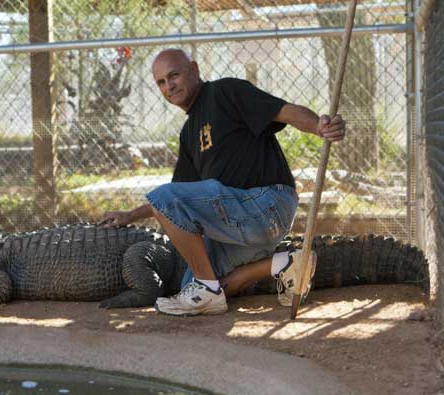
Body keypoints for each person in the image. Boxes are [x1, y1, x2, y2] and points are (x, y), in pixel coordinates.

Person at [99, 48, 345, 316]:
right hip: (237, 223)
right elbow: (170, 206)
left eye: (174, 76)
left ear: (193, 70)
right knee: (191, 288)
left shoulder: (225, 92)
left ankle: (207, 287)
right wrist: (130, 215)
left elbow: (284, 111)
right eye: (161, 82)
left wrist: (318, 126)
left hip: (267, 204)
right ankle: (285, 264)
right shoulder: (188, 133)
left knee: (164, 202)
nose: (169, 86)